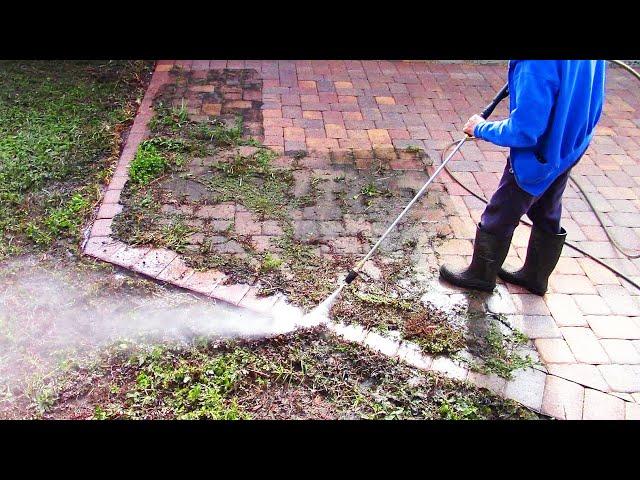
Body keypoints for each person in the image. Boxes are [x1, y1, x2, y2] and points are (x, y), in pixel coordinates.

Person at [440, 60, 607, 296]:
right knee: (547, 209)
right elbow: (595, 100)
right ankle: (535, 276)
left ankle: (480, 275)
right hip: (569, 145)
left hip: (538, 157)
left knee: (500, 213)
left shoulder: (536, 64)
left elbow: (524, 132)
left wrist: (480, 128)